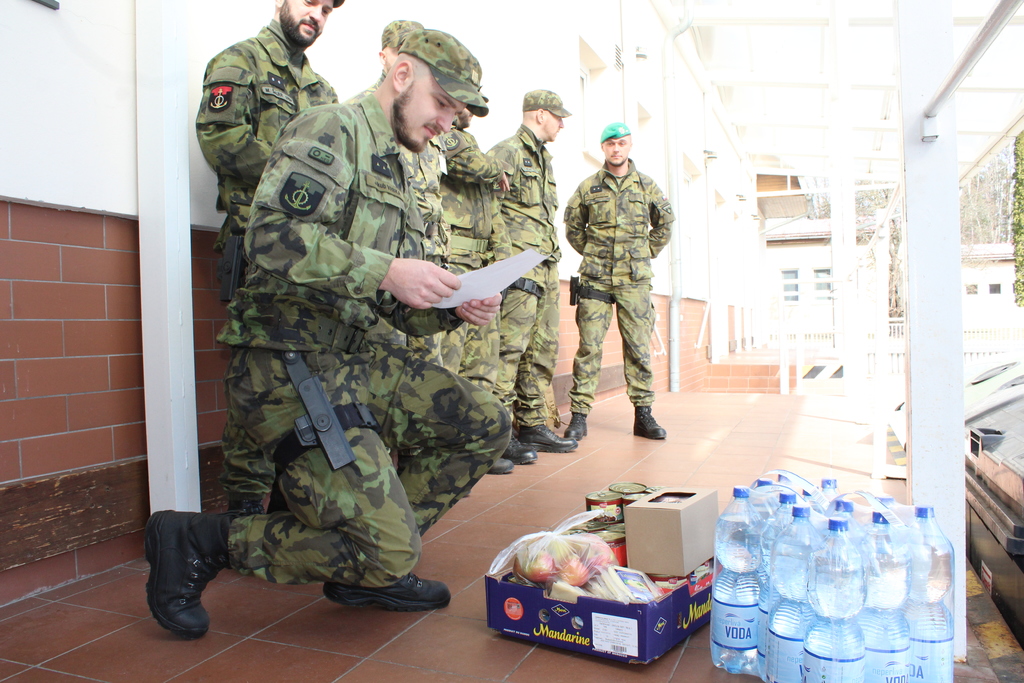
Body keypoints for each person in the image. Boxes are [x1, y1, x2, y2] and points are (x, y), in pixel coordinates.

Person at [145, 29, 510, 641]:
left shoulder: (401, 166)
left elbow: (389, 303)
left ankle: (367, 563)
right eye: (443, 103)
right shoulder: (330, 129)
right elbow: (269, 238)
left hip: (357, 356)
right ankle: (200, 539)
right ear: (401, 76)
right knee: (393, 552)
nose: (450, 122)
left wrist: (450, 306)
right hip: (288, 363)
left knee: (484, 426)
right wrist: (386, 270)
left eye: (459, 112)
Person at [197, 0, 343, 304]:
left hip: (313, 248)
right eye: (309, 2)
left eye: (326, 10)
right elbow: (221, 139)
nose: (317, 14)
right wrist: (298, 179)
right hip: (259, 240)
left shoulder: (323, 92)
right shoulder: (241, 59)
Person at [438, 109, 537, 474]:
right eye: (463, 102)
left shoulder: (473, 144)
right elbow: (466, 163)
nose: (467, 110)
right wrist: (497, 169)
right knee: (447, 366)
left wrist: (502, 262)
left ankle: (479, 445)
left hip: (481, 269)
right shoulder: (443, 138)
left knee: (483, 365)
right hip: (451, 265)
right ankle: (447, 448)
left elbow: (494, 213)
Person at [562, 123, 674, 441]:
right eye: (610, 144)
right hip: (595, 279)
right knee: (589, 348)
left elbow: (665, 223)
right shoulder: (588, 187)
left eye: (621, 143)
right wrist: (593, 253)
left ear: (629, 146)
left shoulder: (647, 186)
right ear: (603, 148)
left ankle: (643, 415)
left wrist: (645, 251)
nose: (616, 149)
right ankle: (580, 416)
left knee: (638, 348)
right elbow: (573, 226)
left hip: (634, 280)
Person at [488, 91, 578, 461]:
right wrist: (504, 264)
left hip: (545, 268)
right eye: (558, 117)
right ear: (541, 115)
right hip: (518, 270)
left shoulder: (543, 160)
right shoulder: (506, 152)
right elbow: (489, 209)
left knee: (541, 350)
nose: (562, 124)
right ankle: (498, 433)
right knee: (509, 350)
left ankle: (532, 425)